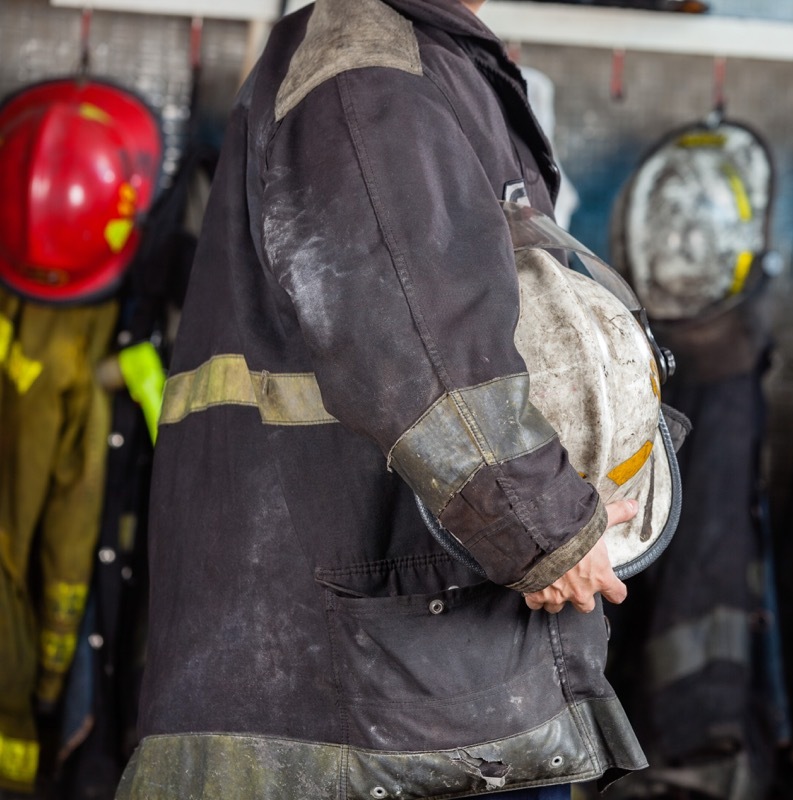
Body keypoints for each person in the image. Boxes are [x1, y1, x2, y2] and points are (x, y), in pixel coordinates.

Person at [114, 0, 650, 797]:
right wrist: (542, 529)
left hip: (421, 683)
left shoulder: (426, 59)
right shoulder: (365, 67)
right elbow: (420, 337)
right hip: (383, 713)